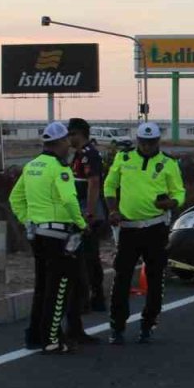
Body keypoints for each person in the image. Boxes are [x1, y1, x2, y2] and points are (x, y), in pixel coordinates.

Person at [9, 122, 89, 354]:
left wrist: (28, 220)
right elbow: (69, 200)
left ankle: (35, 335)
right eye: (67, 142)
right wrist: (82, 224)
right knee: (60, 286)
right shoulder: (59, 169)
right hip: (58, 235)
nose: (69, 146)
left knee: (42, 286)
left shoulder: (31, 166)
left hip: (38, 235)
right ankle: (52, 339)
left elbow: (15, 199)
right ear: (60, 142)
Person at [103, 122, 185, 344]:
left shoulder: (168, 163)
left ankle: (148, 324)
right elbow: (109, 186)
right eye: (143, 142)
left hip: (156, 228)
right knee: (122, 277)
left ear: (158, 141)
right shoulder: (124, 158)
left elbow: (179, 192)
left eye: (152, 142)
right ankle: (117, 326)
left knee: (155, 277)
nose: (147, 146)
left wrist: (171, 202)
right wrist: (112, 209)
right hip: (129, 229)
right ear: (137, 141)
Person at [67, 118, 108, 313]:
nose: (69, 137)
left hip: (89, 212)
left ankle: (95, 297)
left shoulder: (89, 154)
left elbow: (93, 183)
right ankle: (86, 297)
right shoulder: (78, 155)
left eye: (71, 134)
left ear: (79, 134)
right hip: (80, 210)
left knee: (89, 257)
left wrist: (89, 213)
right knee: (81, 256)